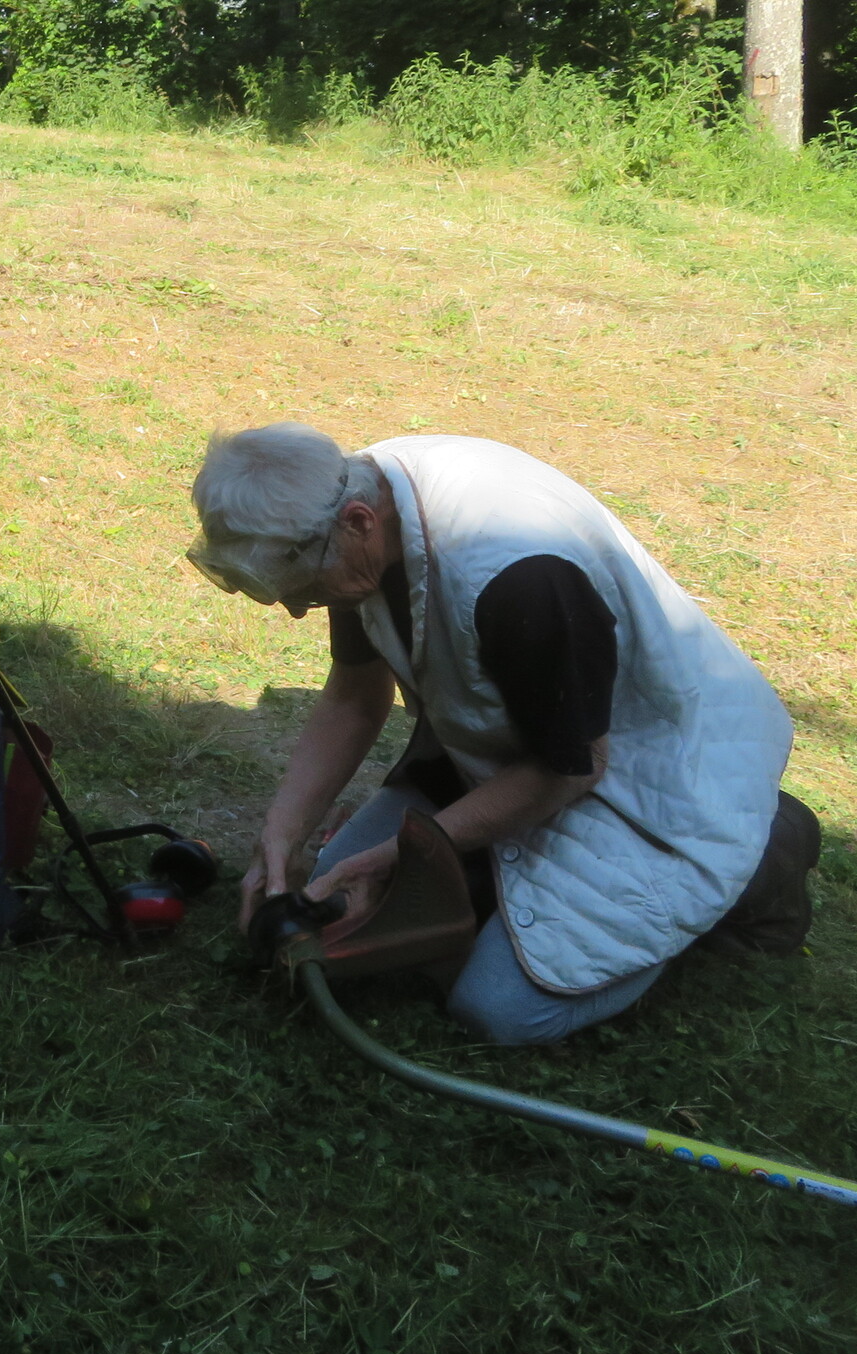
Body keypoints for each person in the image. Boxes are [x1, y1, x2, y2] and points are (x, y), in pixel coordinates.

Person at [191, 424, 799, 1045]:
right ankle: (492, 877)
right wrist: (282, 833)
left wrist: (395, 856)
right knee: (338, 876)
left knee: (498, 1009)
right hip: (505, 747)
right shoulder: (348, 504)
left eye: (306, 589)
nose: (299, 608)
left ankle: (761, 851)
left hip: (648, 775)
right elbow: (355, 694)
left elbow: (573, 767)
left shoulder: (520, 576)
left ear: (358, 522)